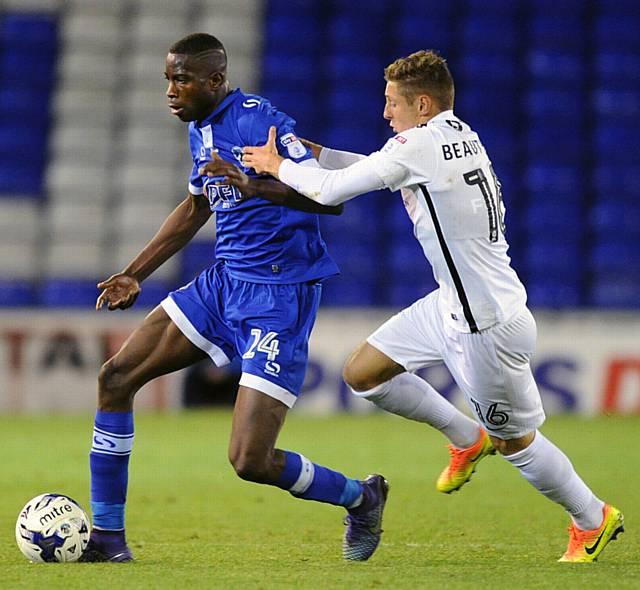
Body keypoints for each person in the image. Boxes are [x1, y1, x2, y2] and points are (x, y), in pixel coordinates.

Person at [236, 49, 624, 563]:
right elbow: (374, 168)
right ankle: (466, 437)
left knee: (517, 442)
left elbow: (332, 190)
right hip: (452, 302)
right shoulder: (456, 135)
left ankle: (592, 517)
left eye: (392, 102)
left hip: (485, 323)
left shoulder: (418, 145)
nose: (384, 112)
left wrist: (278, 165)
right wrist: (311, 150)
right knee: (363, 373)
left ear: (421, 103)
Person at [82, 33, 388, 563]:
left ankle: (362, 497)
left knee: (250, 460)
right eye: (167, 80)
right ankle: (109, 541)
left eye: (182, 80)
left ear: (215, 80)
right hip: (224, 284)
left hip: (278, 296)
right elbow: (197, 205)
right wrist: (135, 273)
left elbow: (328, 196)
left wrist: (252, 184)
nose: (171, 91)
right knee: (115, 377)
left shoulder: (255, 120)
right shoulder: (202, 128)